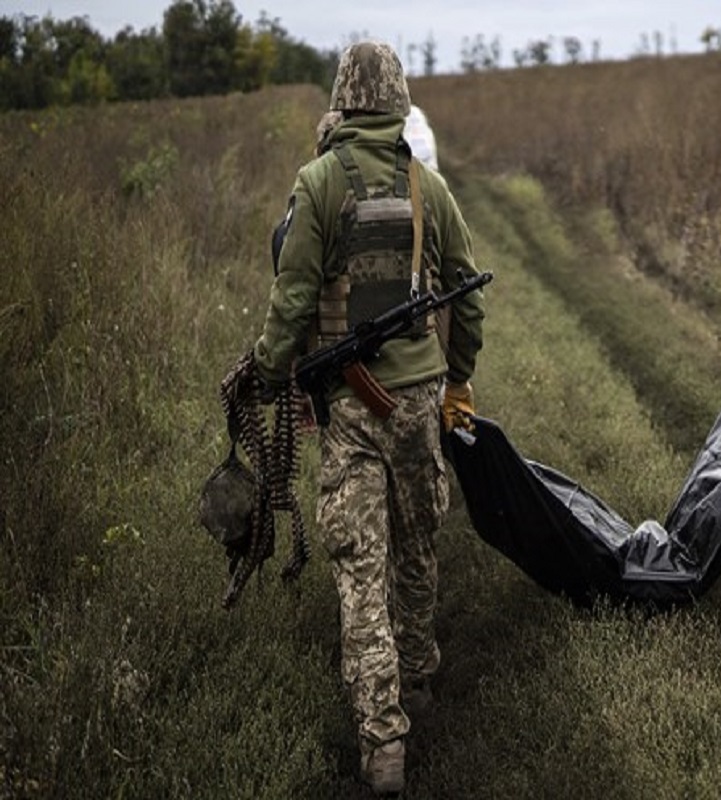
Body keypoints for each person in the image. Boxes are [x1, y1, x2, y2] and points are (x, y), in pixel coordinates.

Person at [248, 41, 485, 793]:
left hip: (350, 408)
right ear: (398, 100)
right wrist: (459, 376)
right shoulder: (429, 187)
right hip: (418, 402)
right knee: (417, 547)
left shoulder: (316, 183)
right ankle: (417, 678)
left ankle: (384, 738)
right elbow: (466, 299)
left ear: (343, 101)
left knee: (360, 567)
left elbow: (291, 304)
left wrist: (265, 372)